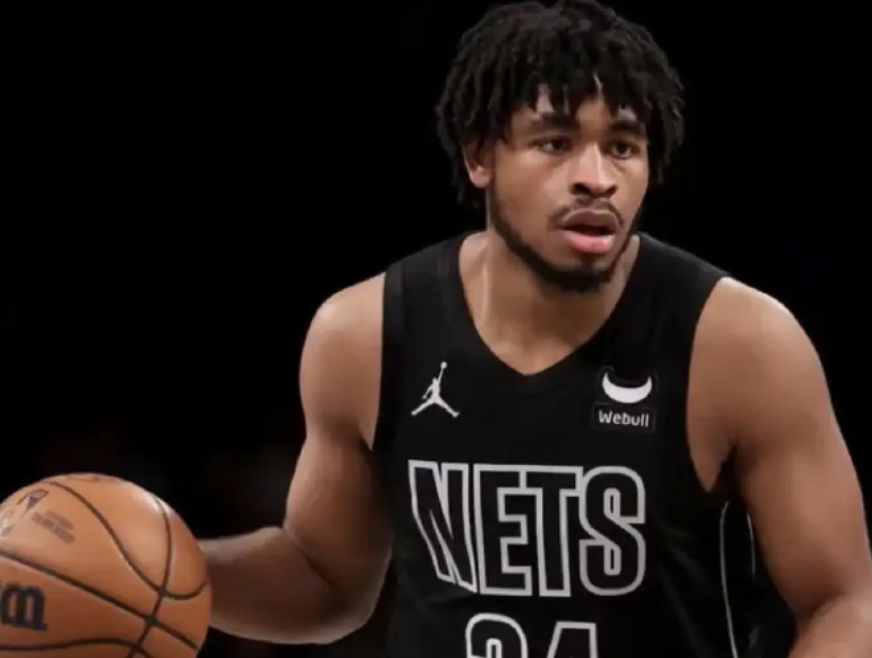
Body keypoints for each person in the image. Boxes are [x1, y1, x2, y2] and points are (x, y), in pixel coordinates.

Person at [198, 0, 872, 655]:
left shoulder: (740, 343)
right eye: (555, 143)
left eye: (622, 147)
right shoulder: (365, 335)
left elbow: (843, 604)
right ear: (480, 157)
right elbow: (325, 583)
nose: (596, 179)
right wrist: (171, 574)